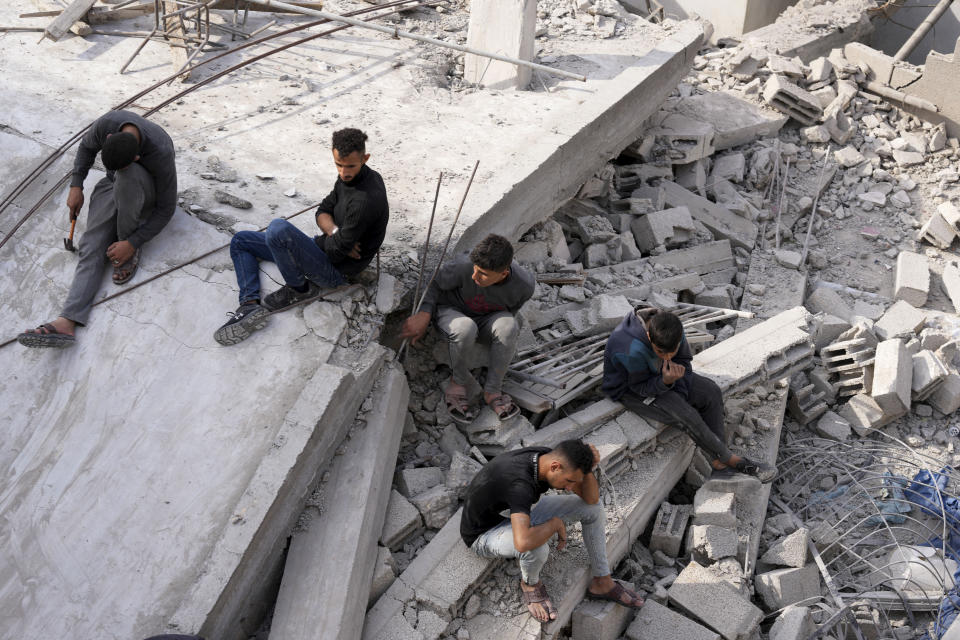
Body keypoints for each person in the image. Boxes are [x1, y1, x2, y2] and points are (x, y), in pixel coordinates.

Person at [214, 128, 389, 346]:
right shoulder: (347, 179)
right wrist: (335, 233)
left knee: (278, 228)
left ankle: (299, 289)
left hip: (335, 271)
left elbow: (335, 254)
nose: (343, 172)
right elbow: (323, 210)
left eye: (350, 166)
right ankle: (249, 303)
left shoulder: (364, 200)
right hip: (323, 249)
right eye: (338, 164)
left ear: (365, 159)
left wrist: (334, 240)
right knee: (241, 241)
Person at [18, 110, 177, 348]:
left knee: (128, 178)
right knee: (91, 245)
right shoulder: (107, 124)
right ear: (109, 138)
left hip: (144, 190)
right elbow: (85, 149)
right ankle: (67, 321)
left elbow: (166, 208)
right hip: (113, 183)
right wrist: (76, 185)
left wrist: (132, 242)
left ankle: (126, 245)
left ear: (136, 156)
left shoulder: (160, 150)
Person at [461, 439, 644, 622]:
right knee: (536, 547)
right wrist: (554, 524)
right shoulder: (520, 485)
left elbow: (591, 499)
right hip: (483, 533)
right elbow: (523, 543)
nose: (570, 488)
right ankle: (530, 585)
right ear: (555, 467)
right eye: (569, 481)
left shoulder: (547, 457)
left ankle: (602, 581)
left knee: (593, 509)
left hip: (510, 511)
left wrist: (588, 469)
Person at [602, 307, 776, 482]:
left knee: (711, 391)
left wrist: (678, 391)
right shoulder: (630, 348)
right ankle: (732, 460)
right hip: (631, 389)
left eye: (673, 350)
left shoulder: (673, 330)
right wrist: (666, 383)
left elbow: (683, 362)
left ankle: (719, 465)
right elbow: (640, 387)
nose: (668, 356)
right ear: (649, 337)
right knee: (686, 415)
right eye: (661, 352)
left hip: (661, 376)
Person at [399, 234, 534, 422]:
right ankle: (458, 383)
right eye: (475, 270)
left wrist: (497, 336)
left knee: (509, 325)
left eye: (483, 274)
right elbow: (434, 282)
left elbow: (510, 312)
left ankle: (493, 391)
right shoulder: (465, 265)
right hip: (452, 311)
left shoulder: (524, 285)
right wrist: (424, 313)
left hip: (486, 317)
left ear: (503, 274)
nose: (474, 276)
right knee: (465, 328)